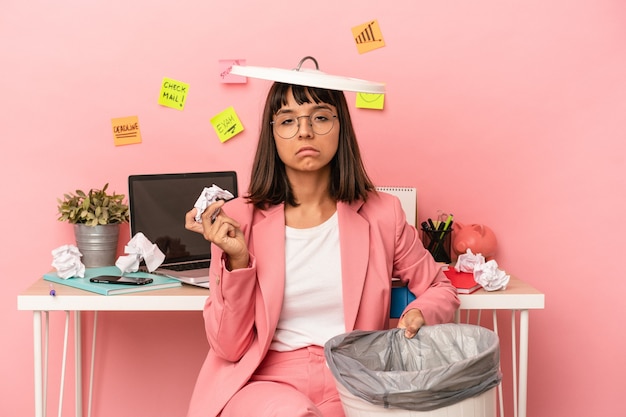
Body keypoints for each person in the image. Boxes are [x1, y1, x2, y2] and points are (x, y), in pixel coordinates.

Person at [184, 81, 460, 417]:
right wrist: (238, 260)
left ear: (340, 126)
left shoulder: (383, 213)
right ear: (272, 134)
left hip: (351, 379)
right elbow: (229, 346)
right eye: (288, 120)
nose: (305, 132)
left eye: (320, 117)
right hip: (264, 383)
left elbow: (438, 287)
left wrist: (420, 313)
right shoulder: (239, 218)